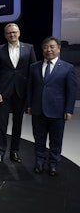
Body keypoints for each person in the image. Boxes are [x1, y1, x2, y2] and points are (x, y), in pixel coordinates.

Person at [27, 36, 77, 176]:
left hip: (58, 111)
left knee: (56, 140)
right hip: (38, 110)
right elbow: (30, 88)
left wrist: (68, 109)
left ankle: (53, 164)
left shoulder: (68, 68)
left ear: (58, 49)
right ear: (42, 49)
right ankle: (39, 162)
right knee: (39, 139)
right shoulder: (34, 67)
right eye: (45, 47)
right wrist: (29, 105)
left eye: (52, 47)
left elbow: (71, 91)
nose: (48, 50)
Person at [0, 23, 37, 166]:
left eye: (14, 32)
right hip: (4, 93)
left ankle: (14, 151)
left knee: (17, 123)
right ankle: (0, 153)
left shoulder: (29, 48)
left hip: (21, 92)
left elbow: (33, 71)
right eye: (9, 33)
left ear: (19, 33)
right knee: (1, 124)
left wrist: (30, 94)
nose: (12, 35)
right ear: (5, 35)